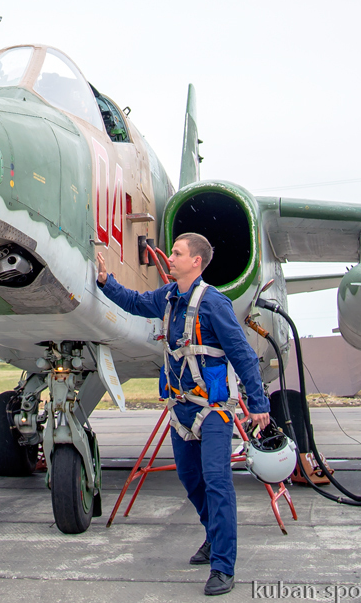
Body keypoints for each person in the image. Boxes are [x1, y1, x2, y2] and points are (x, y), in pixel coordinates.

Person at [96, 233, 270, 596]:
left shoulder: (215, 305)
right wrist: (104, 282)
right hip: (180, 411)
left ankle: (223, 565)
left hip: (213, 412)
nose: (169, 257)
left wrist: (258, 404)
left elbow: (242, 354)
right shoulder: (168, 298)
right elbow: (135, 302)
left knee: (218, 483)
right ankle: (213, 535)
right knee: (191, 480)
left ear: (196, 262)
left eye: (176, 253)